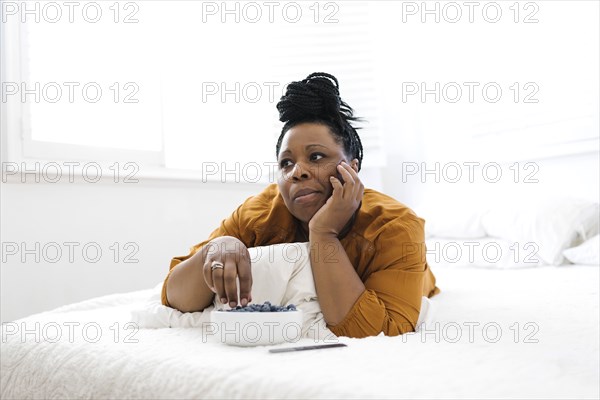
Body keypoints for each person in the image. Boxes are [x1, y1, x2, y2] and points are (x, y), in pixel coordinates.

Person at [161, 72, 439, 338]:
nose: (298, 171)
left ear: (353, 169)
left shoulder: (395, 225)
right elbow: (175, 296)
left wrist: (323, 232)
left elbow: (379, 330)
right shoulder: (259, 213)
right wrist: (218, 247)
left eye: (316, 156)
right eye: (286, 163)